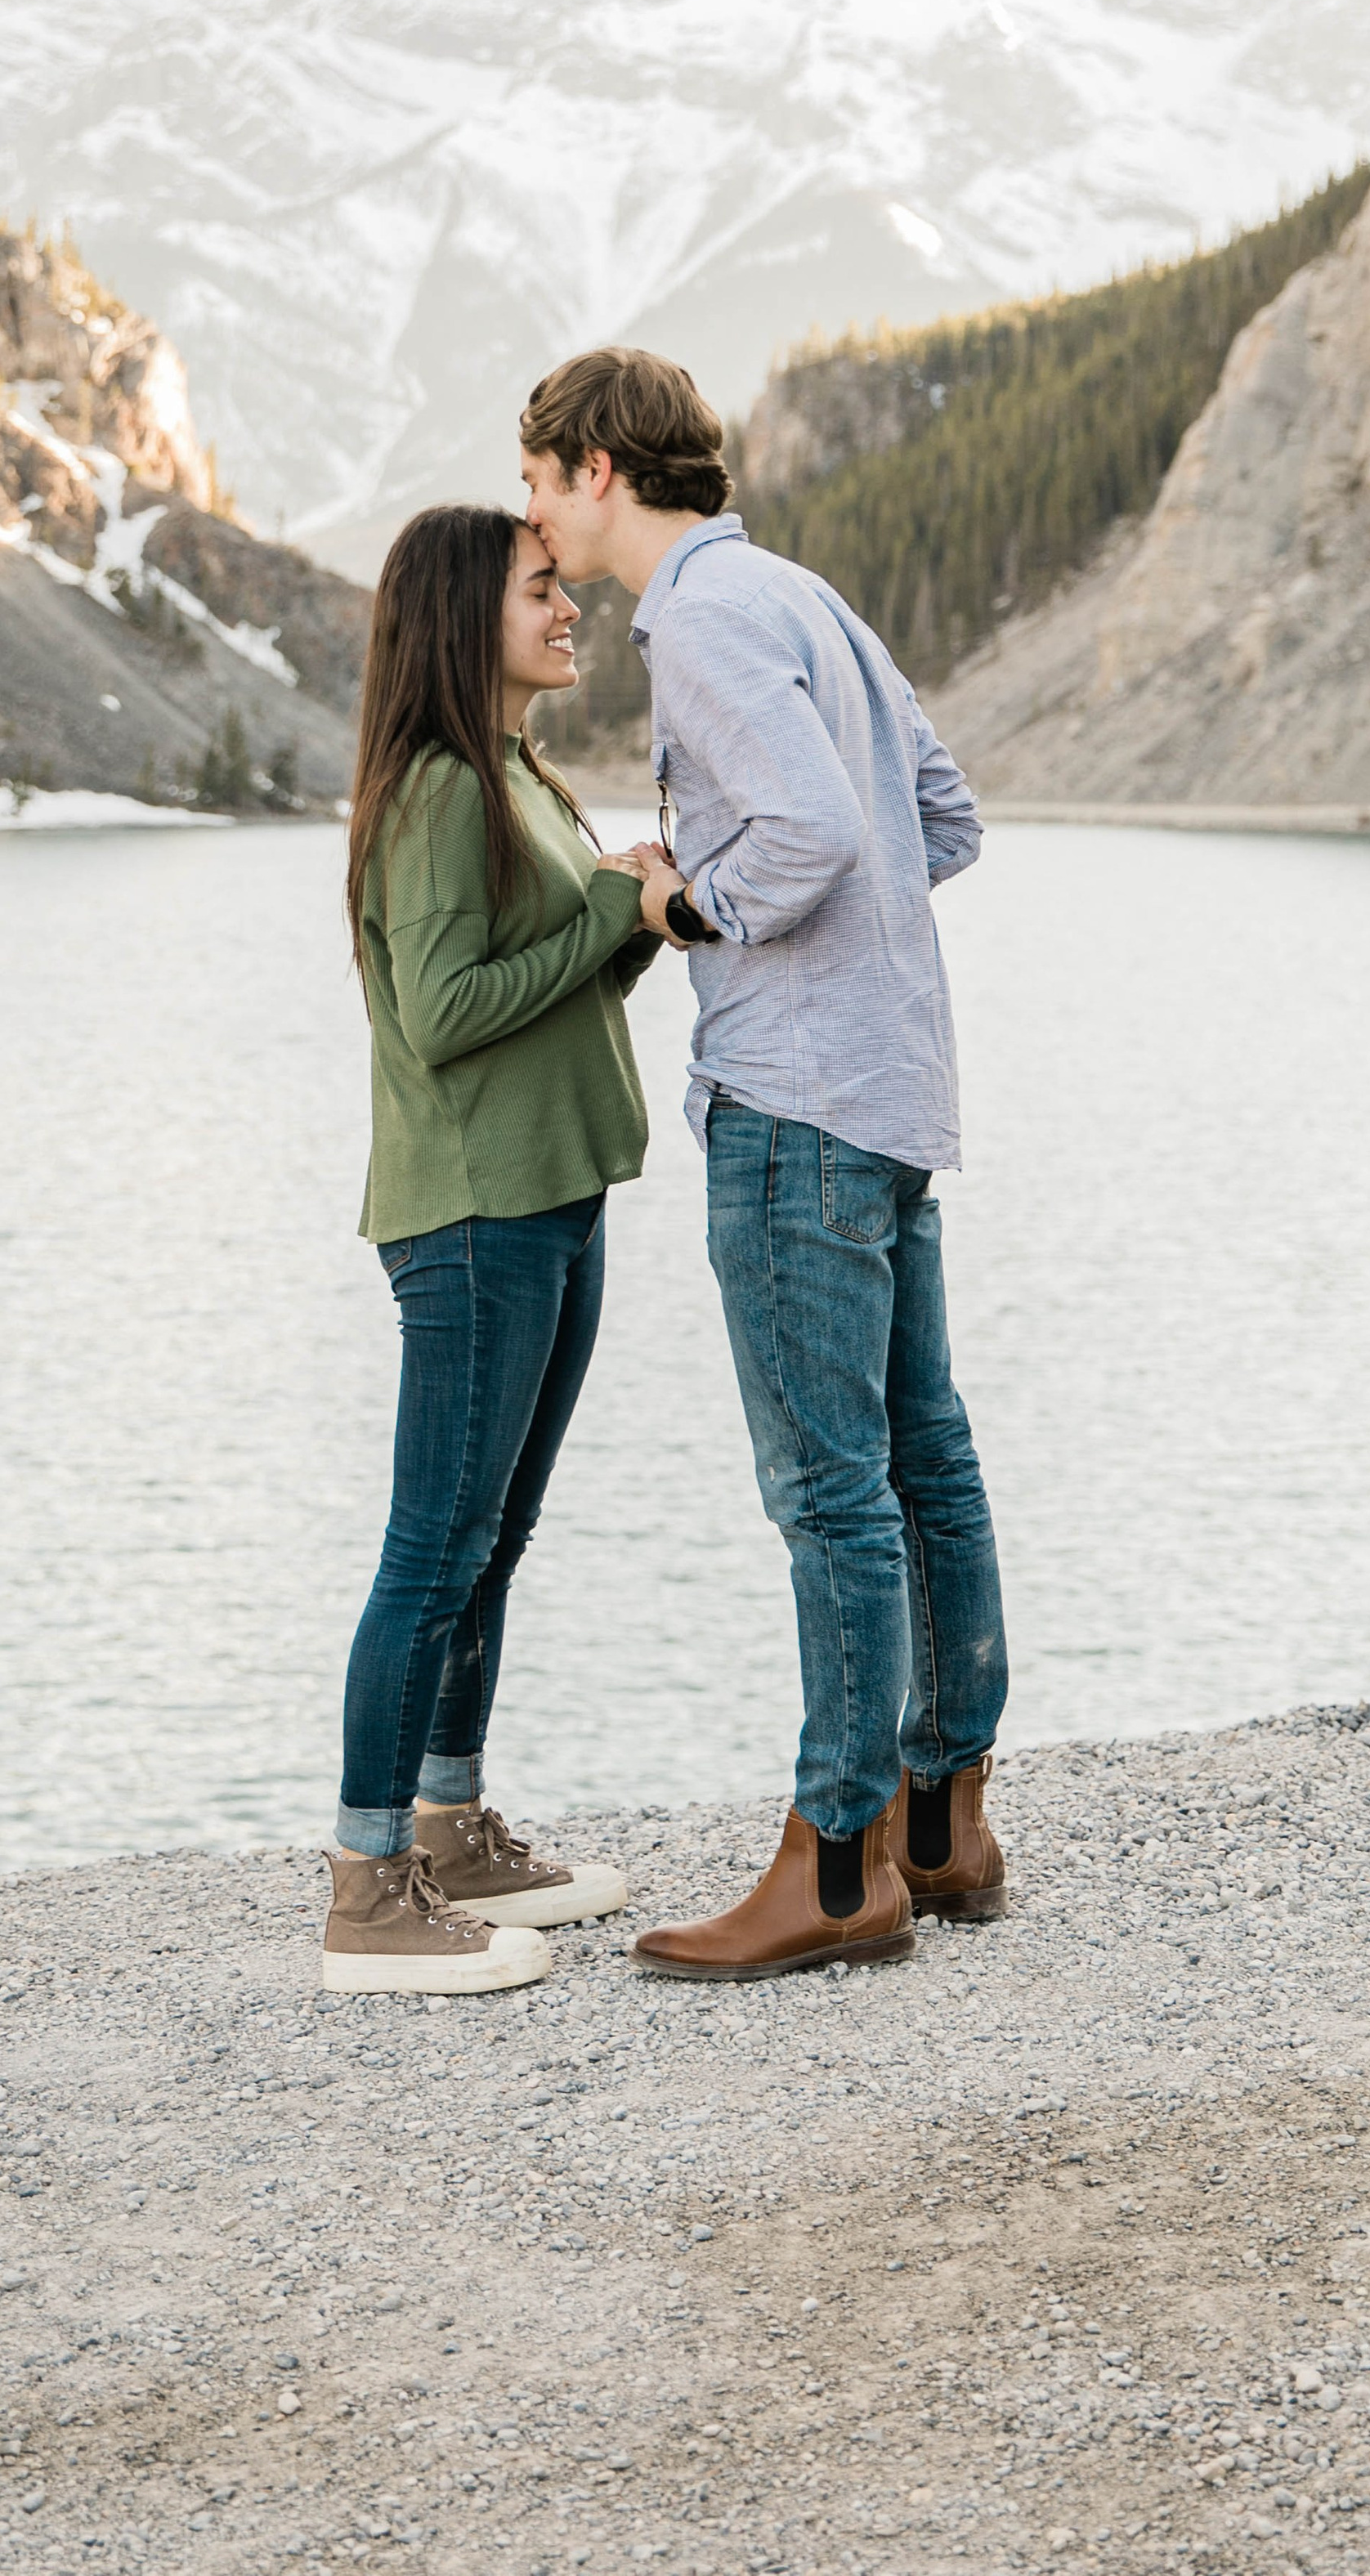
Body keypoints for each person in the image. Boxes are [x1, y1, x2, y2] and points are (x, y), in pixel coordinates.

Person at [522, 347, 1009, 1983]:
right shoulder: (805, 597)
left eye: (537, 476)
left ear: (598, 468)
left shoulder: (702, 619)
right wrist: (812, 921)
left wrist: (682, 900)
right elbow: (934, 819)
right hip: (887, 1086)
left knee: (830, 1494)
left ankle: (835, 1861)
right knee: (918, 1458)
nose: (532, 511)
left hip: (794, 1100)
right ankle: (940, 1822)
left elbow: (811, 834)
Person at [325, 503, 661, 1996]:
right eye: (542, 590)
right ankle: (366, 1886)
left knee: (492, 1539)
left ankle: (451, 1831)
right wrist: (605, 904)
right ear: (470, 616)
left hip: (549, 1193)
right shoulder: (440, 792)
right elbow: (450, 1016)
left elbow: (557, 984)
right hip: (472, 1216)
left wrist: (638, 915)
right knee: (432, 1550)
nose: (570, 604)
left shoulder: (515, 772)